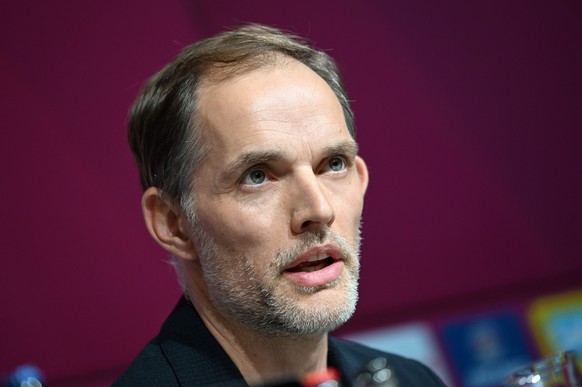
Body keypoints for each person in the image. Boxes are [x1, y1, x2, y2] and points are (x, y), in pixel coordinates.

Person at [114, 24, 444, 387]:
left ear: (361, 179)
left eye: (333, 164)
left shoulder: (415, 381)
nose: (318, 210)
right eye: (257, 176)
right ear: (173, 222)